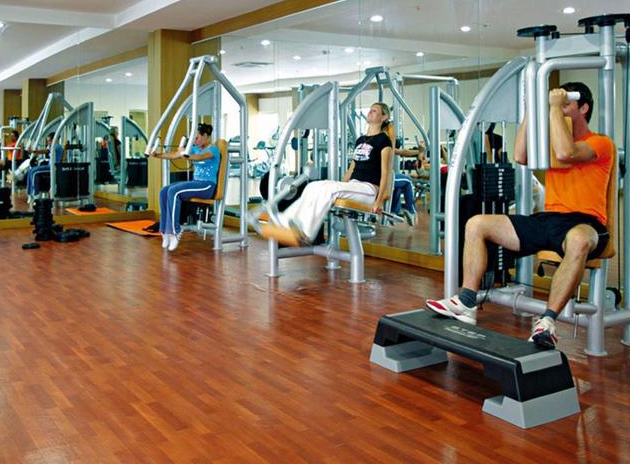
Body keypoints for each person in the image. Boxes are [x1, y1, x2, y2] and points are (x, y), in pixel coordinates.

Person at [426, 83, 614, 349]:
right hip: (549, 220)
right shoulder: (552, 142)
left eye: (566, 105)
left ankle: (547, 322)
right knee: (477, 224)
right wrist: (531, 110)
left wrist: (553, 107)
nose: (559, 109)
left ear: (583, 109)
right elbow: (520, 155)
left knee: (579, 241)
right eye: (558, 105)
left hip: (585, 223)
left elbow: (566, 152)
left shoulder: (601, 143)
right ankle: (467, 301)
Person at [259, 102, 394, 247]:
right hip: (354, 185)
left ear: (384, 117)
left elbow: (385, 173)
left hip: (368, 189)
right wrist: (340, 184)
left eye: (375, 110)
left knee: (329, 190)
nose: (370, 112)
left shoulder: (384, 140)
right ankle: (284, 221)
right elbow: (351, 170)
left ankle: (306, 233)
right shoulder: (360, 140)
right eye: (370, 109)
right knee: (313, 186)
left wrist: (379, 201)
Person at [152, 123, 220, 252]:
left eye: (197, 138)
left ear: (205, 136)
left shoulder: (213, 150)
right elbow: (175, 155)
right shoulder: (195, 148)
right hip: (196, 183)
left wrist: (186, 155)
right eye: (193, 138)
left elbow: (200, 157)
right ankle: (165, 231)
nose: (194, 141)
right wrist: (157, 155)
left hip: (207, 186)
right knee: (164, 191)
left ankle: (175, 231)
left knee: (174, 191)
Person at [26, 132, 64, 201]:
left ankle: (35, 194)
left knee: (35, 172)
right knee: (30, 170)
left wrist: (33, 151)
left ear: (55, 139)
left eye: (49, 141)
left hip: (54, 168)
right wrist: (34, 152)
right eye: (48, 141)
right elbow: (45, 150)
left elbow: (46, 151)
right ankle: (30, 193)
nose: (48, 142)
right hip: (49, 166)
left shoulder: (58, 146)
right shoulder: (51, 146)